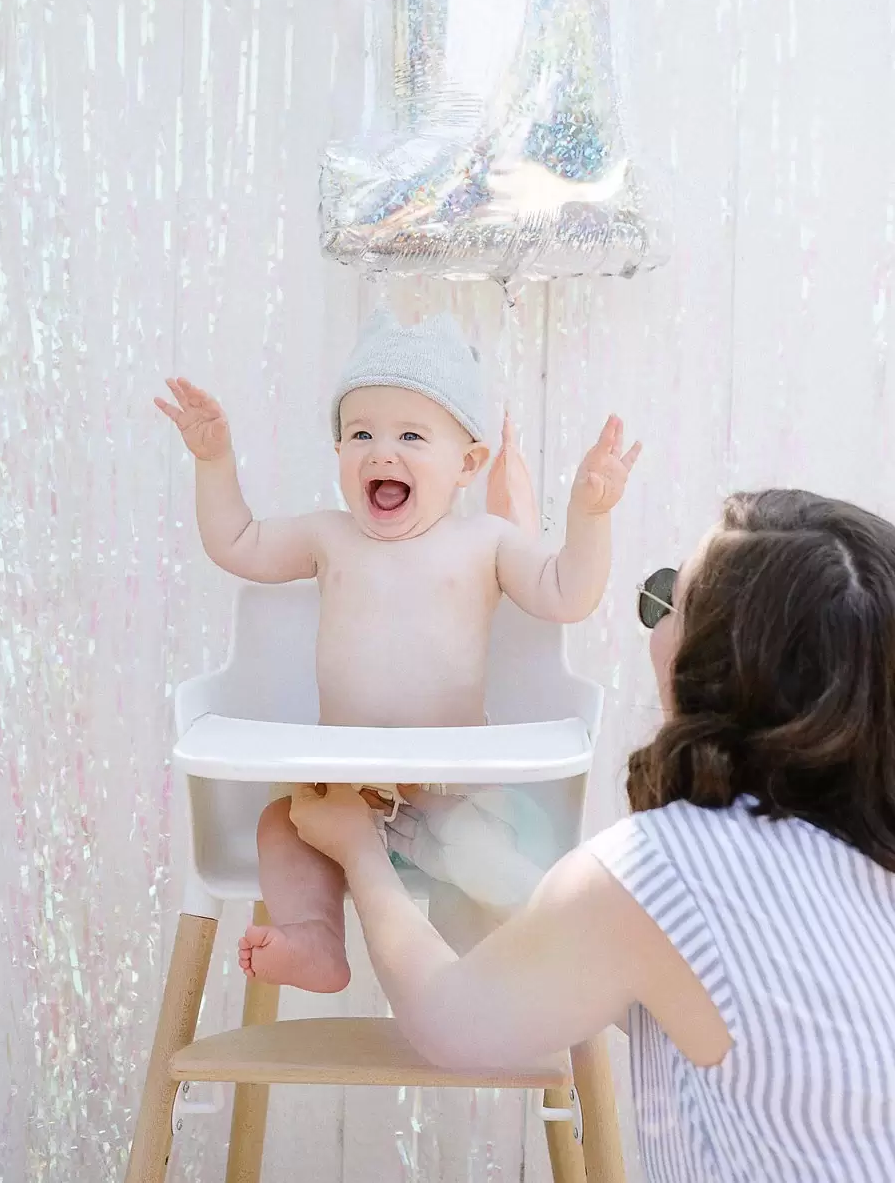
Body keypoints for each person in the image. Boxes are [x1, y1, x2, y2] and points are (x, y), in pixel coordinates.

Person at [290, 489, 895, 1182]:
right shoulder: (861, 844)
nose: (653, 626)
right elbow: (665, 975)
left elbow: (449, 1022)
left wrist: (359, 851)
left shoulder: (664, 866)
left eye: (667, 601)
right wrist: (464, 853)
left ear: (717, 663)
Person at [154, 309, 640, 991]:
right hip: (340, 796)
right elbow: (236, 543)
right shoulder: (328, 537)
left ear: (467, 463)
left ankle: (479, 983)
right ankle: (316, 938)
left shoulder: (487, 544)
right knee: (280, 830)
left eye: (411, 434)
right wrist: (213, 462)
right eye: (361, 434)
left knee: (480, 867)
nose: (382, 452)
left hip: (450, 795)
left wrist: (591, 516)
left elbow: (566, 592)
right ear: (340, 456)